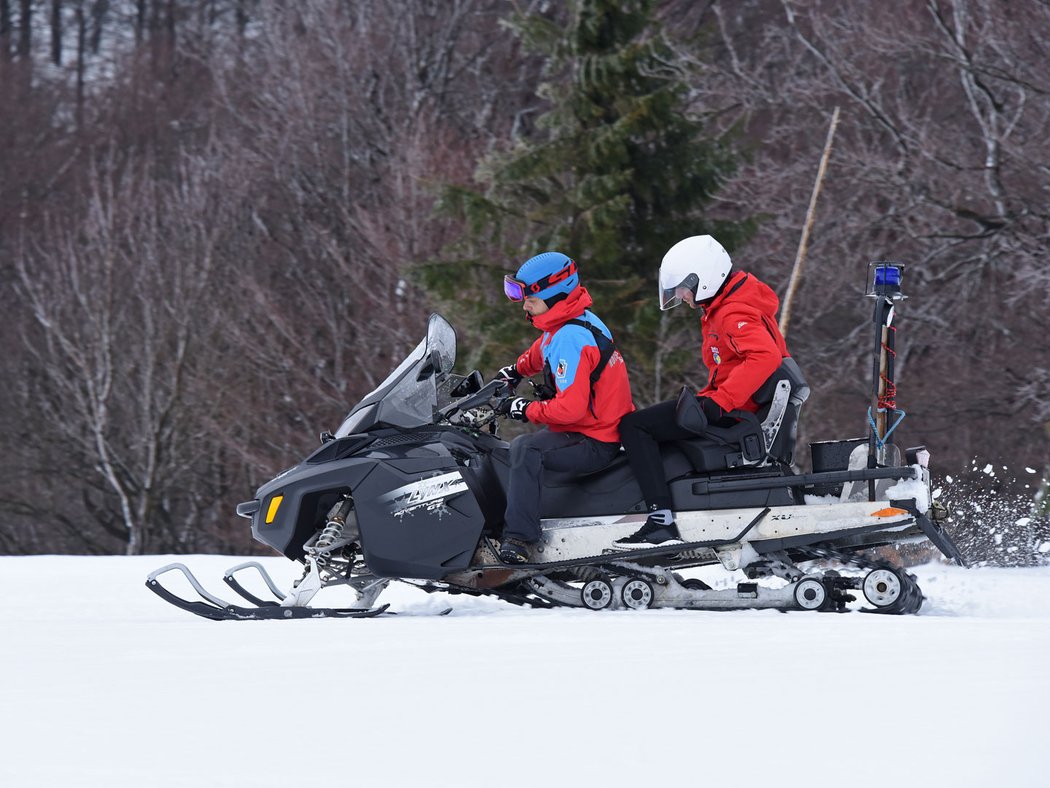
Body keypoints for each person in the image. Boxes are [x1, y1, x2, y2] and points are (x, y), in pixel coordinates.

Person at [615, 234, 793, 546]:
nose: (682, 295)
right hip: (733, 406)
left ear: (705, 278)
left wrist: (720, 402)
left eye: (684, 286)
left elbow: (765, 355)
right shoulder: (726, 304)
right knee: (654, 424)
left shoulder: (732, 312)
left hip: (735, 413)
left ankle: (660, 520)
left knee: (634, 426)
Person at [495, 251, 635, 563]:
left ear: (555, 294)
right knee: (527, 448)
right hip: (593, 429)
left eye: (530, 297)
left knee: (524, 449)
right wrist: (514, 371)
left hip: (595, 439)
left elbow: (570, 410)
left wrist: (523, 409)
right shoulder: (568, 321)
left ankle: (519, 541)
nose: (524, 304)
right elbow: (540, 351)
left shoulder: (571, 337)